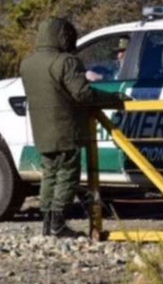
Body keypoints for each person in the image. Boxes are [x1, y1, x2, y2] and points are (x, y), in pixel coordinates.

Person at [21, 18, 127, 238]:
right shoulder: (66, 62)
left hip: (41, 130)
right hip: (65, 128)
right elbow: (82, 94)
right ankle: (59, 223)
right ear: (62, 36)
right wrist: (114, 99)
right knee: (68, 174)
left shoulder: (28, 63)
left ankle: (47, 223)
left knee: (49, 174)